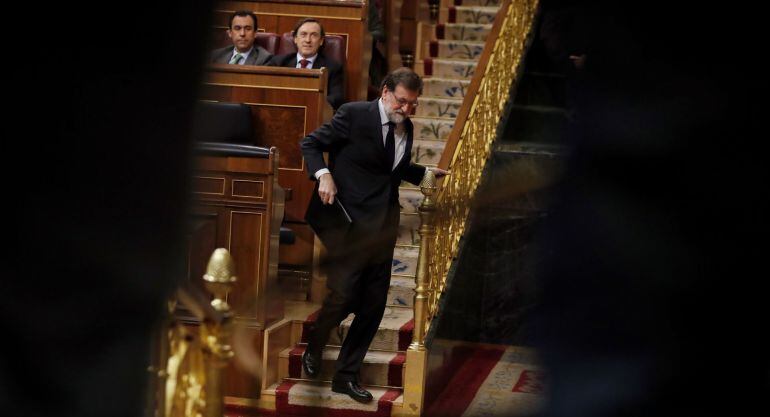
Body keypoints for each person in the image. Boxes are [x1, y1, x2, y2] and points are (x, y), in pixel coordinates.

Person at [299, 68, 448, 402]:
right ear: (385, 92)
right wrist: (323, 174)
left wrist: (423, 172)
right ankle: (316, 342)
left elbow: (390, 169)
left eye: (413, 104)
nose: (407, 110)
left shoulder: (405, 127)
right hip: (349, 223)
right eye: (402, 101)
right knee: (345, 294)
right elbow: (310, 143)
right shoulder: (353, 114)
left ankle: (345, 376)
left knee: (374, 304)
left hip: (383, 226)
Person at [269, 18, 345, 110]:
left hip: (314, 113)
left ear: (321, 41)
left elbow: (337, 98)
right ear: (295, 39)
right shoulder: (278, 63)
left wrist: (310, 103)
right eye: (303, 34)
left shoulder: (332, 67)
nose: (308, 40)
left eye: (314, 35)